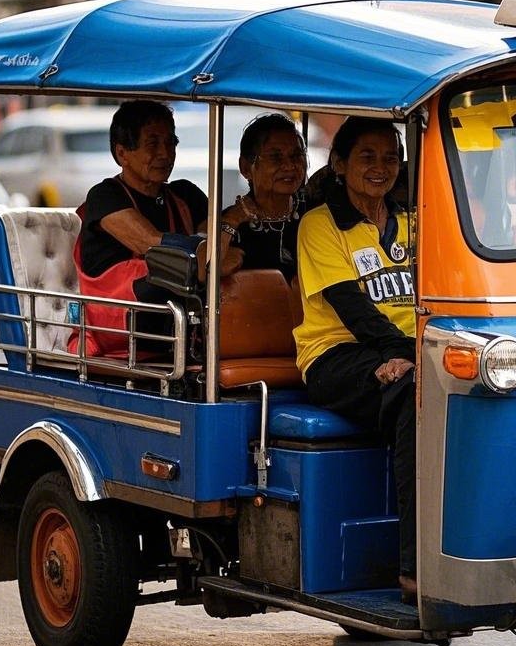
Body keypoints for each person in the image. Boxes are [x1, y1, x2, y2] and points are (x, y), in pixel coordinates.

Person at [293, 117, 418, 601]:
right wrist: (400, 355)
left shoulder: (413, 221)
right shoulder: (320, 224)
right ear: (340, 164)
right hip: (335, 356)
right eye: (367, 156)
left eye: (390, 157)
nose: (380, 167)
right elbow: (352, 307)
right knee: (415, 396)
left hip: (401, 354)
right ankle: (414, 567)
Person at [72, 99, 242, 356]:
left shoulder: (185, 194)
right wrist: (213, 246)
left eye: (170, 143)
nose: (165, 153)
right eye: (153, 144)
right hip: (119, 325)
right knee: (168, 277)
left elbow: (225, 253)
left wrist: (221, 239)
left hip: (174, 327)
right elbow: (151, 244)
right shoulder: (105, 196)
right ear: (122, 154)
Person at [219, 113, 307, 281]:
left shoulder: (314, 211)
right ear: (245, 168)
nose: (289, 166)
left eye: (296, 156)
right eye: (275, 157)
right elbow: (203, 272)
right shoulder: (230, 224)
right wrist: (231, 222)